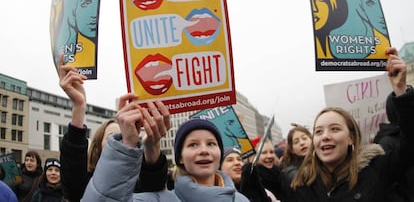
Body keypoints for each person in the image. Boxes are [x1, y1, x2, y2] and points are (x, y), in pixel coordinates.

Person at [271, 47, 414, 201]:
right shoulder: (301, 185)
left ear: (351, 137)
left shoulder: (378, 168)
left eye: (335, 129)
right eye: (318, 131)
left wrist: (401, 90)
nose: (325, 136)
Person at [58, 54, 170, 201]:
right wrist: (79, 106)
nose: (122, 139)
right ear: (97, 147)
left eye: (123, 136)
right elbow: (73, 171)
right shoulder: (85, 184)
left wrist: (152, 145)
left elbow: (154, 185)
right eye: (113, 137)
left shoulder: (138, 183)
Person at [81, 118, 249, 201]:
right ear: (180, 158)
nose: (204, 150)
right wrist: (126, 145)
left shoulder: (241, 200)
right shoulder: (158, 199)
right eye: (193, 145)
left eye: (211, 144)